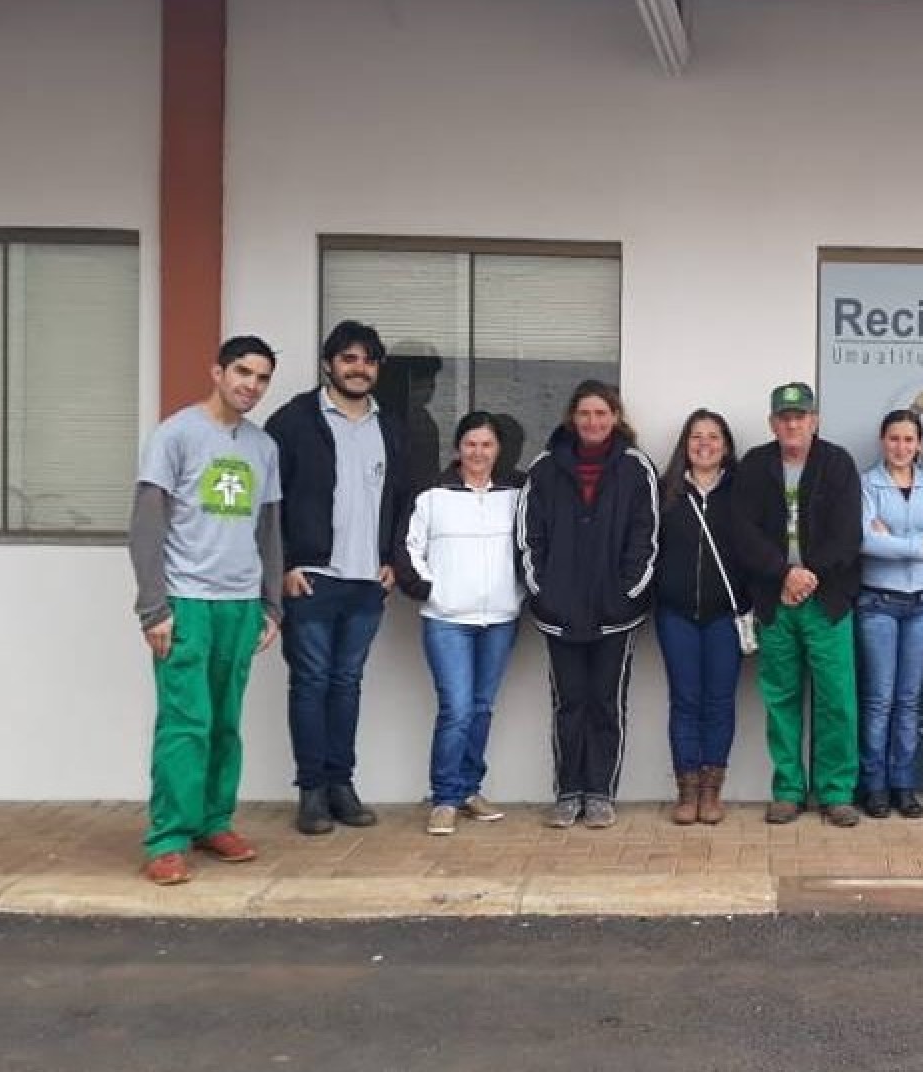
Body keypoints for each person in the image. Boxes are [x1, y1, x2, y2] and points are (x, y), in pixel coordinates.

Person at [128, 336, 284, 885]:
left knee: (225, 724)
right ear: (217, 371)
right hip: (187, 603)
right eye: (243, 372)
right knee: (184, 724)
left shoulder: (263, 448)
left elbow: (269, 529)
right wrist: (154, 607)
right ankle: (168, 837)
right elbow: (147, 524)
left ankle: (214, 821)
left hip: (239, 607)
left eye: (262, 378)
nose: (251, 385)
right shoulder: (176, 434)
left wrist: (271, 606)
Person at [265, 320, 412, 836]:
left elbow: (402, 499)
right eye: (349, 358)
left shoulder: (390, 426)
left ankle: (341, 786)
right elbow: (270, 502)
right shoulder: (292, 422)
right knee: (310, 682)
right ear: (329, 363)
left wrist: (394, 558)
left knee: (346, 683)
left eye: (368, 360)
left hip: (365, 583)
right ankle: (311, 792)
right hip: (312, 579)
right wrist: (282, 565)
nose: (358, 368)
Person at [518, 379, 660, 830]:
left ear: (615, 417)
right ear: (571, 418)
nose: (593, 422)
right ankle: (568, 791)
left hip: (616, 615)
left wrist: (627, 593)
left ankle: (600, 792)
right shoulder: (544, 468)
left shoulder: (636, 468)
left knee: (606, 703)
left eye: (601, 414)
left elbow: (647, 536)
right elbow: (528, 537)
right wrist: (543, 592)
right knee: (568, 703)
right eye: (585, 414)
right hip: (560, 615)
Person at [734, 382, 865, 827]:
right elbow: (742, 531)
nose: (793, 423)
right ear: (773, 423)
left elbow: (848, 534)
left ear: (815, 421)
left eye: (801, 415)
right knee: (781, 698)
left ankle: (836, 791)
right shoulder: (755, 465)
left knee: (836, 699)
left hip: (825, 600)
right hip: (776, 599)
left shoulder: (837, 462)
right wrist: (782, 574)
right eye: (785, 417)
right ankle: (788, 788)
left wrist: (808, 575)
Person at [395, 411, 525, 837]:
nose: (478, 452)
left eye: (487, 445)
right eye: (470, 444)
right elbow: (408, 546)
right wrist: (428, 589)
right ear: (458, 448)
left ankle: (470, 789)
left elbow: (530, 546)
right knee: (457, 708)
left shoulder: (516, 493)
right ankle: (445, 798)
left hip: (500, 620)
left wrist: (520, 592)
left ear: (498, 450)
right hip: (447, 619)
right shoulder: (432, 494)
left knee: (482, 708)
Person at [653, 409, 763, 826]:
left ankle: (712, 790)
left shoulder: (742, 492)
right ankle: (687, 791)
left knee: (719, 702)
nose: (704, 444)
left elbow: (756, 550)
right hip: (676, 613)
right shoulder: (666, 492)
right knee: (685, 701)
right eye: (696, 436)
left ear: (726, 446)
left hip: (726, 616)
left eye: (713, 437)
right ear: (685, 444)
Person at [857, 408, 923, 819]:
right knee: (880, 699)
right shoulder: (867, 484)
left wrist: (894, 539)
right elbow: (864, 541)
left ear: (920, 444)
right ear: (883, 441)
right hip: (878, 601)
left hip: (922, 604)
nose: (901, 447)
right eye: (894, 439)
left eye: (909, 439)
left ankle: (904, 783)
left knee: (908, 699)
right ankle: (875, 785)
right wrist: (919, 545)